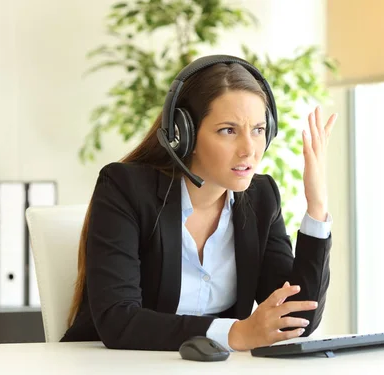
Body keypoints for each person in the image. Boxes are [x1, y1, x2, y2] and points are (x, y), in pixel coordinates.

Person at [61, 55, 337, 352]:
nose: (249, 150)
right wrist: (235, 333)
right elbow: (118, 320)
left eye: (258, 130)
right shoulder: (125, 188)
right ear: (184, 134)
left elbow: (297, 318)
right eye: (228, 130)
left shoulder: (262, 198)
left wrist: (317, 206)